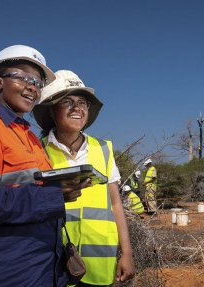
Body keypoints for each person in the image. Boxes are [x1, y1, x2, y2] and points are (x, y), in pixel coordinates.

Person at [0, 45, 88, 286]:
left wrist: (64, 190)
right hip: (3, 267)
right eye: (23, 77)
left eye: (37, 81)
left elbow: (34, 189)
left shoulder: (30, 137)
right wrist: (54, 197)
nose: (32, 86)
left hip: (42, 263)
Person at [32, 70, 134, 286]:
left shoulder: (103, 149)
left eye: (82, 102)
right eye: (67, 101)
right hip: (54, 262)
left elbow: (115, 203)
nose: (77, 108)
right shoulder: (37, 150)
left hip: (99, 263)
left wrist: (127, 253)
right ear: (51, 110)